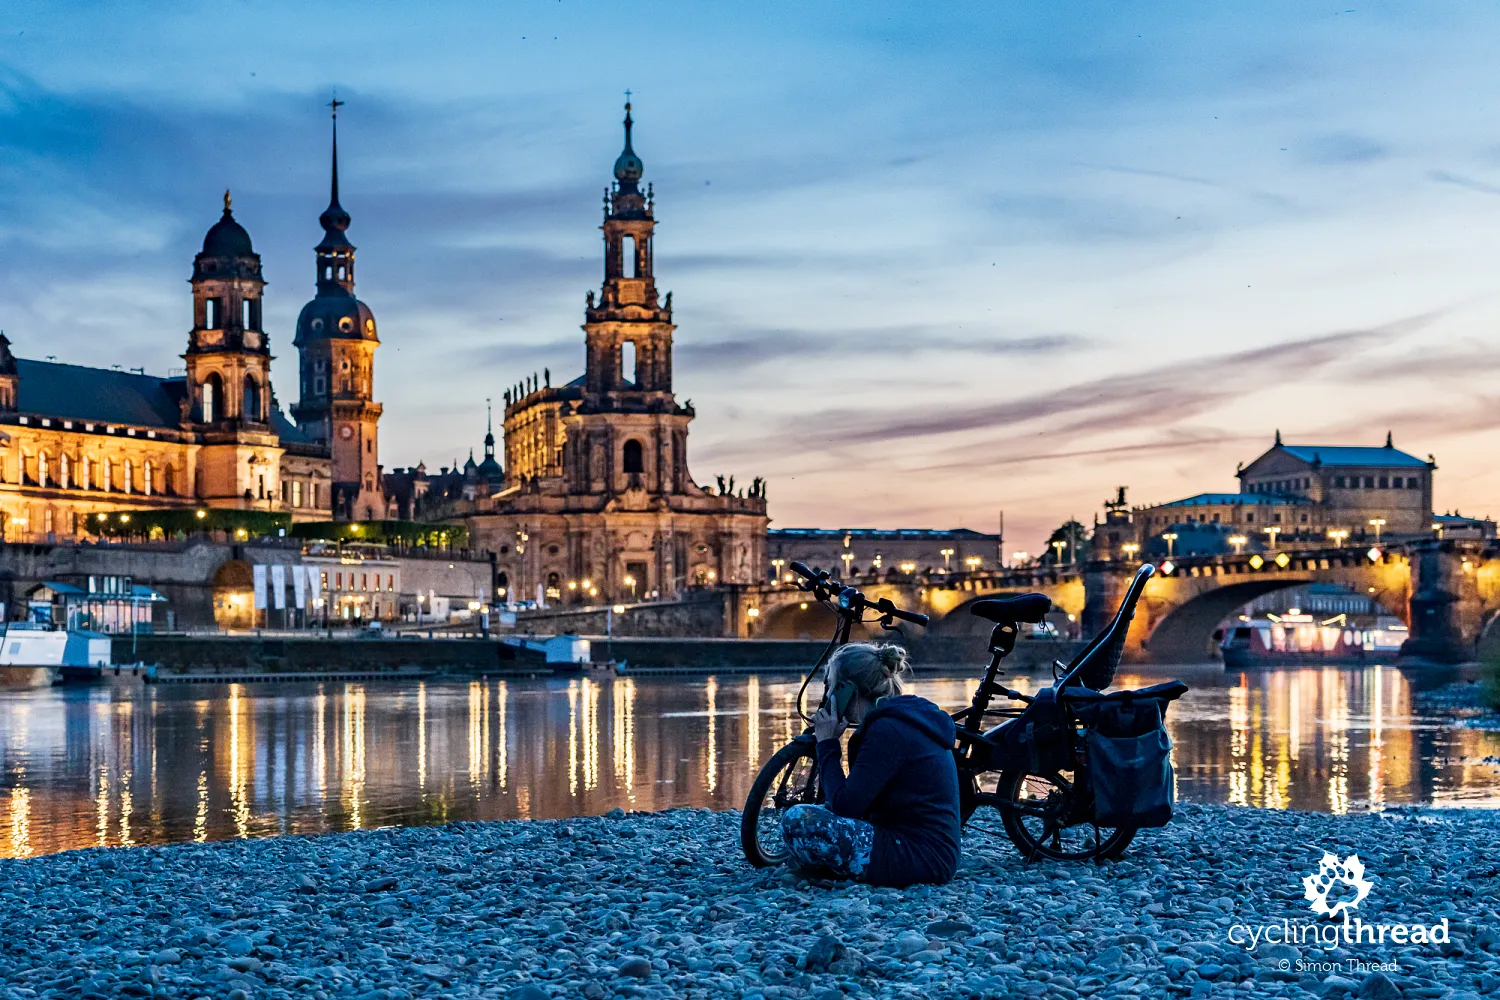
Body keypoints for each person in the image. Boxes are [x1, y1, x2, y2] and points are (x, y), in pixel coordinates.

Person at [781, 642, 961, 887]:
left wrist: (827, 743)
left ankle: (832, 870)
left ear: (846, 690)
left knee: (797, 819)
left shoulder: (887, 731)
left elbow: (846, 807)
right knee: (818, 813)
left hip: (920, 858)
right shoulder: (900, 718)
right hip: (929, 851)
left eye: (833, 686)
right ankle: (830, 868)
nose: (829, 694)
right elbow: (856, 802)